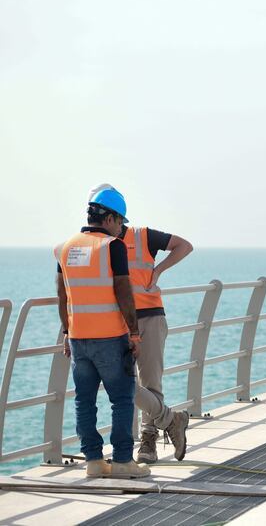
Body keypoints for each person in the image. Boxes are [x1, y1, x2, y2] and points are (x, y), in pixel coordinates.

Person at [88, 184, 192, 463]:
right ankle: (171, 420)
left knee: (150, 380)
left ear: (113, 216)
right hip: (116, 322)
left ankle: (148, 442)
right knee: (120, 384)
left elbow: (185, 245)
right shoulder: (96, 242)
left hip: (149, 317)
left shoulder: (142, 236)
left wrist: (158, 271)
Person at [55, 189, 150, 478]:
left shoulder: (65, 247)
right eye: (120, 222)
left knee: (84, 401)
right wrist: (134, 333)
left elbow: (62, 296)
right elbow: (123, 290)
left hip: (79, 338)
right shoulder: (113, 246)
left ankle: (94, 462)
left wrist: (67, 332)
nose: (122, 229)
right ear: (108, 218)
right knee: (121, 399)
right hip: (111, 337)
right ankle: (122, 462)